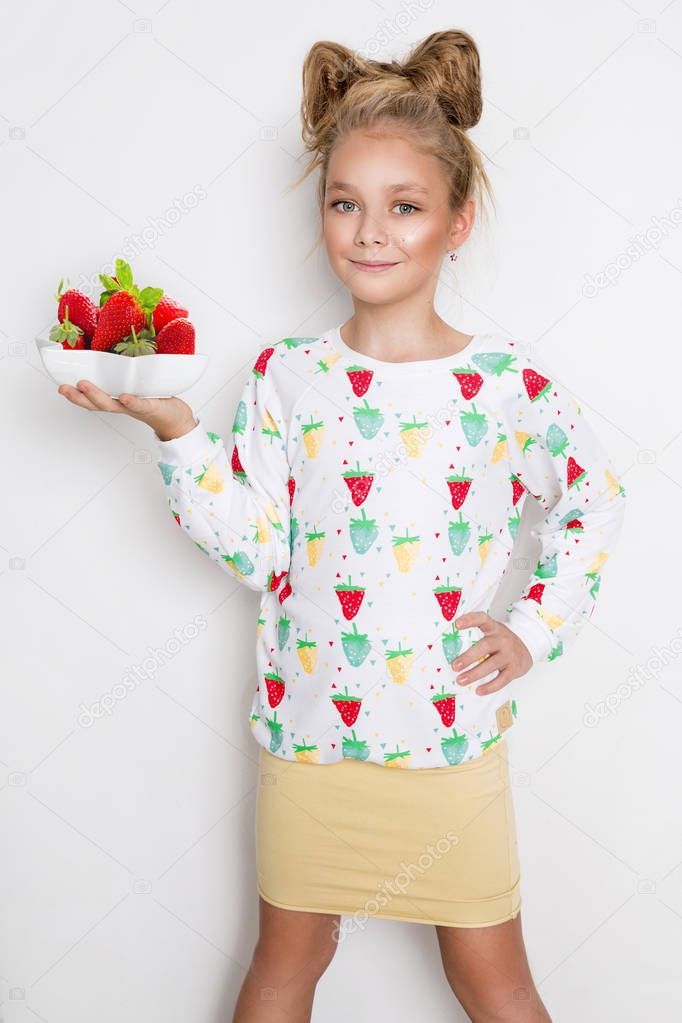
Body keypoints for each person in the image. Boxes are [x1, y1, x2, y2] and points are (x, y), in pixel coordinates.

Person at [57, 28, 626, 1023]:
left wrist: (530, 629)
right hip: (310, 743)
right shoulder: (288, 376)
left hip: (446, 744)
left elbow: (592, 496)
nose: (370, 232)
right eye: (345, 203)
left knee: (493, 984)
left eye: (404, 206)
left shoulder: (505, 387)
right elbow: (253, 548)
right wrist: (177, 428)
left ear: (458, 220)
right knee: (283, 967)